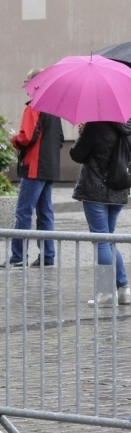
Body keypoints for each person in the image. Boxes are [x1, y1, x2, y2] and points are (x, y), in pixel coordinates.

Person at [0, 68, 64, 269]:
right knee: (45, 213)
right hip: (49, 168)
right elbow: (60, 140)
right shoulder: (53, 107)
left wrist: (14, 140)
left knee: (23, 212)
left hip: (34, 168)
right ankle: (48, 256)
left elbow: (26, 137)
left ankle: (18, 257)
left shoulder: (33, 107)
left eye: (27, 82)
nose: (25, 87)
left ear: (35, 83)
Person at [70, 119, 131, 307]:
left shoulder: (95, 125)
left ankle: (106, 292)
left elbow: (77, 155)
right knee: (108, 239)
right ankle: (123, 290)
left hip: (96, 190)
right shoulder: (128, 126)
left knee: (102, 241)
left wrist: (82, 134)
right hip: (119, 188)